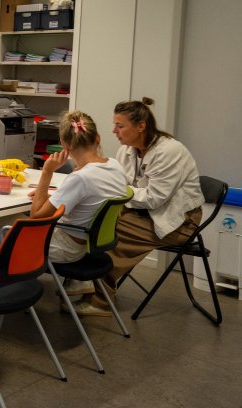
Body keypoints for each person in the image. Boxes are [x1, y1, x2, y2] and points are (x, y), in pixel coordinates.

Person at [76, 97, 204, 316]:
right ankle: (83, 283)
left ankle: (100, 300)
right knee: (93, 221)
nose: (114, 130)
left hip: (179, 221)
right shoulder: (126, 151)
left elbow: (154, 198)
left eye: (120, 125)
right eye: (114, 124)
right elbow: (123, 185)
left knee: (110, 234)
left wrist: (116, 191)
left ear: (141, 126)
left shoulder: (169, 151)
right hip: (142, 212)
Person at [28, 112, 127, 267]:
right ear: (98, 138)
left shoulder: (80, 178)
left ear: (65, 145)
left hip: (65, 248)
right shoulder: (115, 165)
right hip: (88, 244)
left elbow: (36, 216)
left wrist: (47, 172)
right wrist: (49, 197)